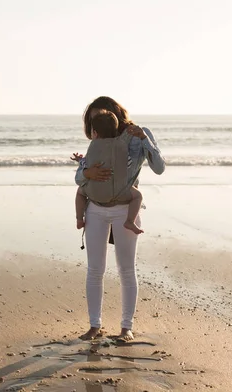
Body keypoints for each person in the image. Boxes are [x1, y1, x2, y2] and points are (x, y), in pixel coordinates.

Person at [72, 96, 165, 342]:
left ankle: (126, 328)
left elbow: (159, 168)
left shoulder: (137, 135)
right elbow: (81, 177)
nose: (95, 127)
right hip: (96, 208)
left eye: (98, 118)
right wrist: (85, 172)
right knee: (95, 269)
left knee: (126, 269)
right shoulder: (98, 140)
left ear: (115, 113)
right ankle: (94, 326)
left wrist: (146, 141)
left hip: (125, 208)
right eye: (92, 122)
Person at [74, 110, 143, 235]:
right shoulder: (120, 146)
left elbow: (87, 165)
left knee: (80, 193)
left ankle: (79, 219)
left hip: (94, 193)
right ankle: (130, 221)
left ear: (94, 133)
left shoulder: (93, 147)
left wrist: (80, 160)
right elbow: (128, 165)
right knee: (138, 196)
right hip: (118, 192)